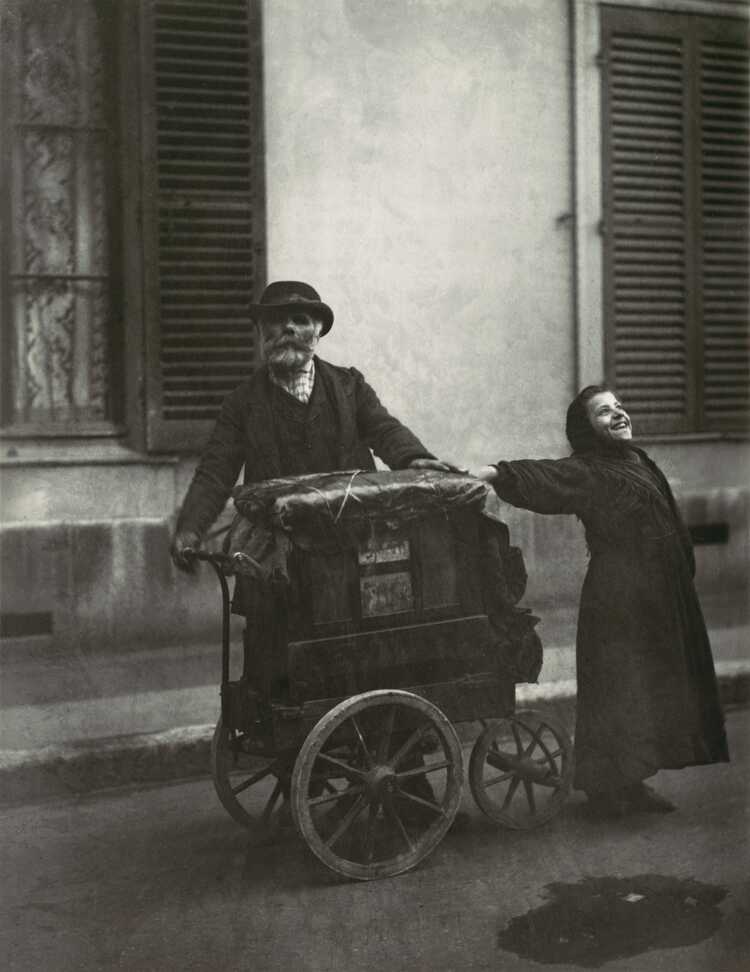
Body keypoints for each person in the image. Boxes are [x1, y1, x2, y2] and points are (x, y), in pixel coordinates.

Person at [470, 385, 729, 817]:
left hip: (659, 596)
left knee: (648, 688)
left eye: (619, 407)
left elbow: (669, 516)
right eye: (604, 413)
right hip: (619, 599)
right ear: (586, 429)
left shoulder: (639, 461)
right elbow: (547, 476)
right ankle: (607, 791)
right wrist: (495, 473)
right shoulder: (589, 470)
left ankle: (634, 782)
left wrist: (681, 572)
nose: (619, 415)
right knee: (619, 689)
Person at [171, 280, 457, 570]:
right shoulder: (241, 403)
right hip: (276, 551)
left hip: (351, 540)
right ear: (260, 330)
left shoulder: (350, 387)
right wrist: (190, 529)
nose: (288, 328)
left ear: (318, 331)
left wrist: (414, 458)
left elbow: (384, 429)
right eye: (276, 319)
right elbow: (214, 473)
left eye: (300, 320)